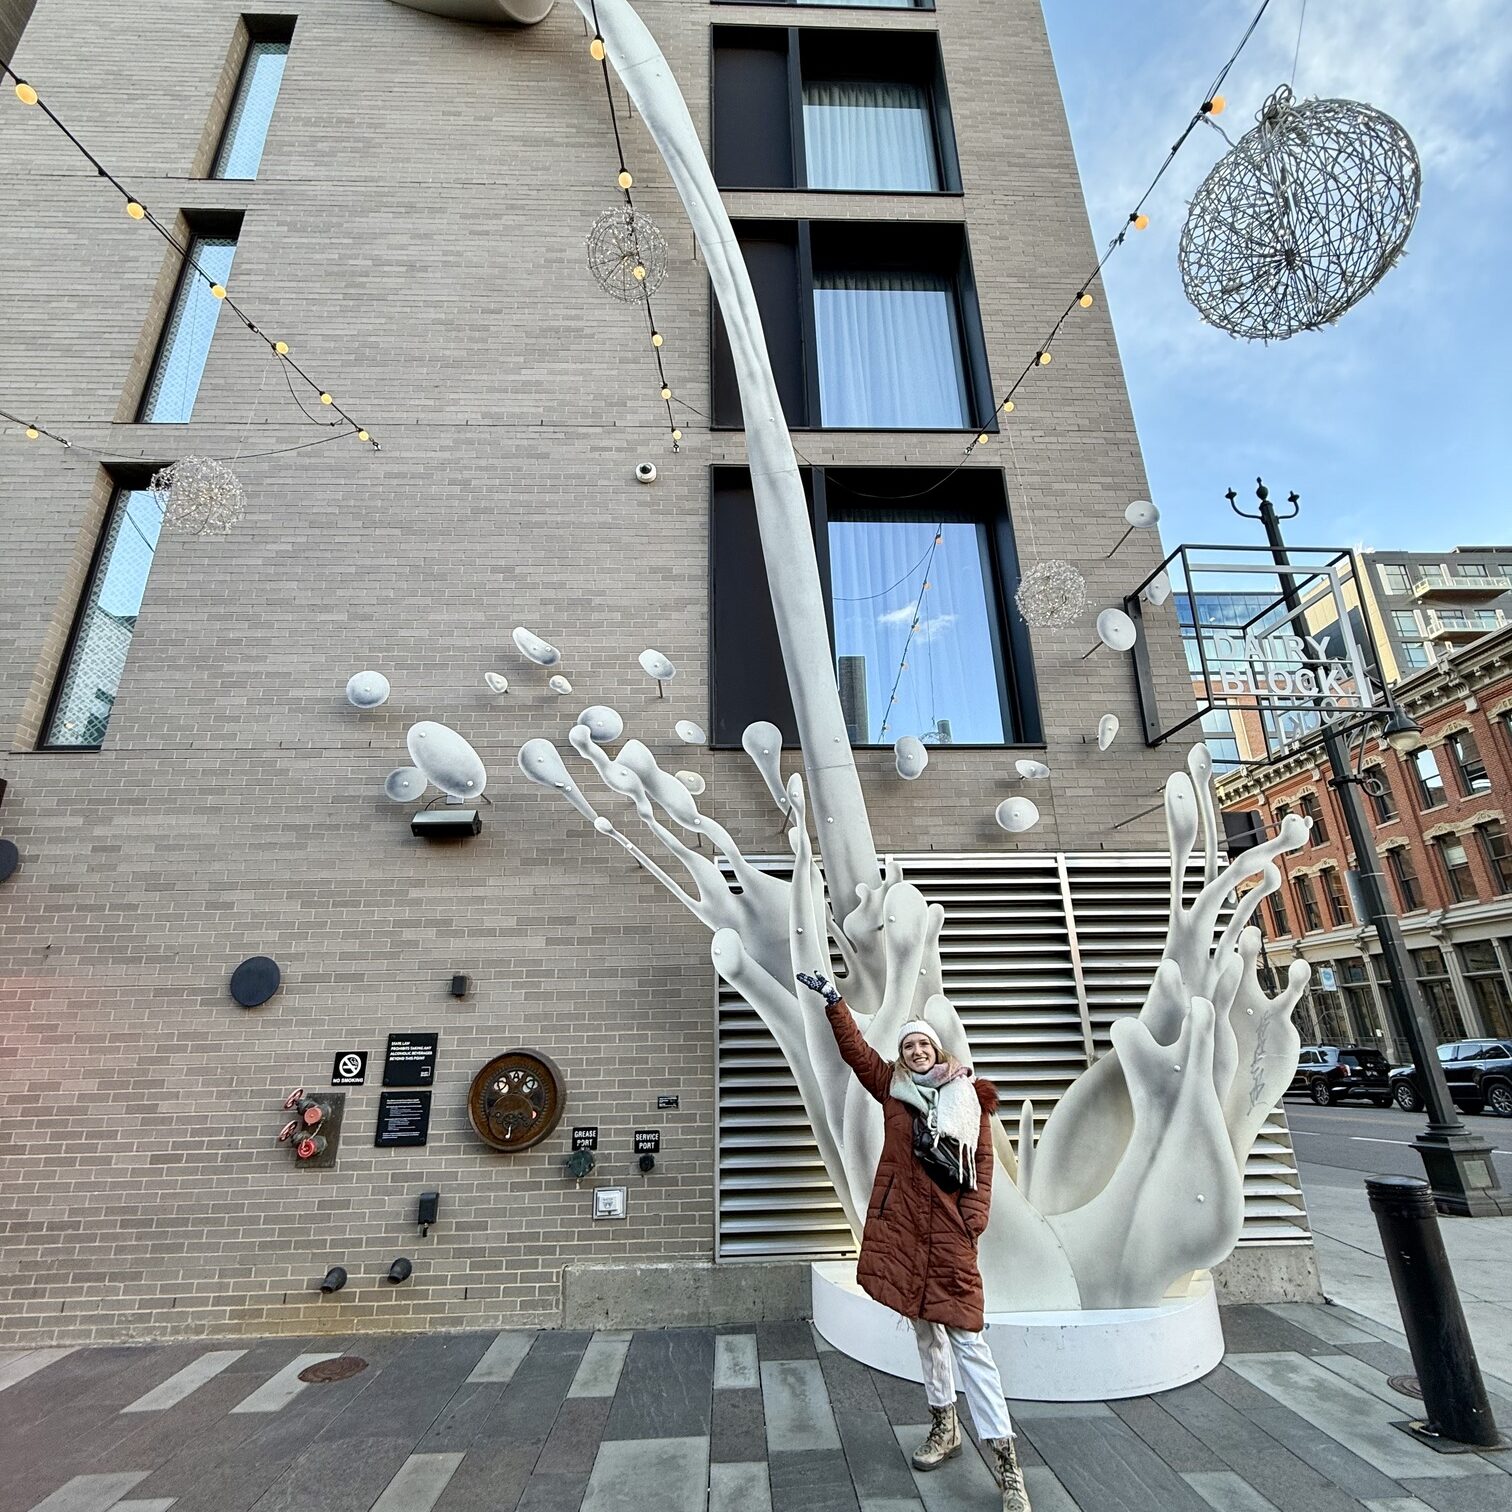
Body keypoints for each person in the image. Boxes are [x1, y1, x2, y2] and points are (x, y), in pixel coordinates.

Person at [797, 971, 1030, 1512]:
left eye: (924, 1043)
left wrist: (971, 1224)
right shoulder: (893, 1093)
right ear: (901, 1058)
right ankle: (943, 1427)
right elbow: (857, 1055)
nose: (917, 1050)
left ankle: (1006, 1464)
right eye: (908, 1046)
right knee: (926, 1334)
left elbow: (984, 1169)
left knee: (970, 1341)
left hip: (949, 1236)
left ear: (938, 1050)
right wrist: (836, 1002)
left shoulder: (968, 1099)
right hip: (904, 1231)